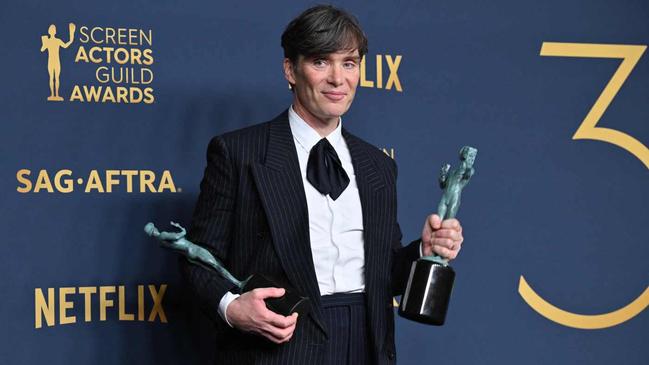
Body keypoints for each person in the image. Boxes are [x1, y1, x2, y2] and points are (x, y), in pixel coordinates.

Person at [183, 5, 464, 365]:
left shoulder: (378, 166)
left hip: (366, 343)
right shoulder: (239, 153)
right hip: (276, 349)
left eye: (349, 63)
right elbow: (197, 259)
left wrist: (424, 251)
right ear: (291, 70)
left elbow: (384, 274)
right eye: (320, 62)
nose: (337, 79)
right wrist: (232, 307)